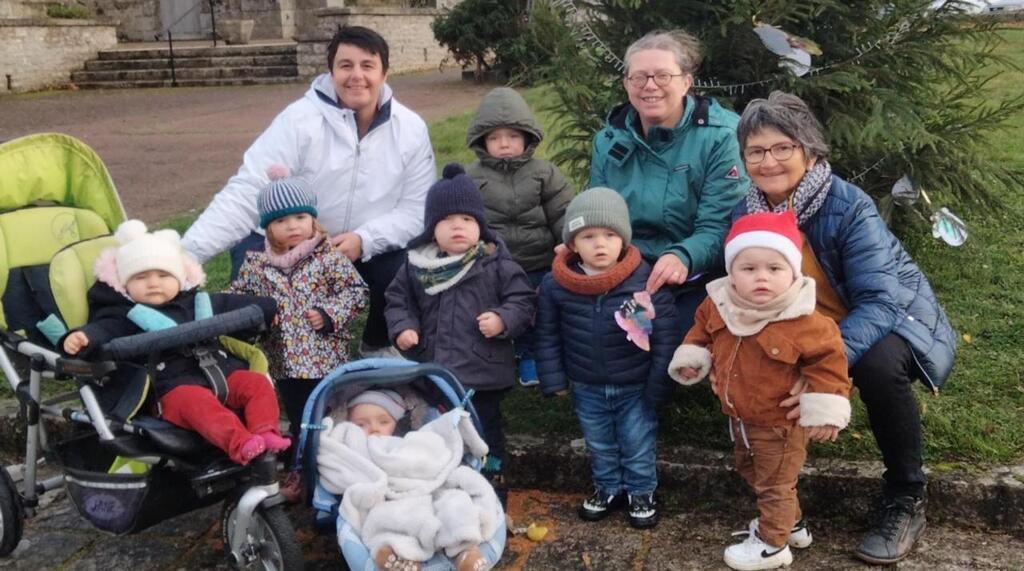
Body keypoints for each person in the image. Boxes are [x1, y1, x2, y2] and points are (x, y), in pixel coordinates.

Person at [732, 91, 957, 564]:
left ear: (810, 150)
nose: (768, 161)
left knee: (878, 369)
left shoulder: (848, 206)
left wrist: (822, 370)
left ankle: (906, 495)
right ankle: (782, 505)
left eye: (781, 148)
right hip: (803, 321)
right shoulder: (747, 210)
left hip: (882, 315)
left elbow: (879, 300)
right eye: (756, 150)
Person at [181, 25, 436, 358]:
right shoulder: (299, 120)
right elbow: (247, 192)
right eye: (345, 65)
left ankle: (377, 344)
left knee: (407, 269)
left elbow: (417, 209)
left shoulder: (411, 129)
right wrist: (184, 257)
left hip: (362, 244)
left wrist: (365, 239)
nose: (356, 76)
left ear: (385, 73)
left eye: (367, 65)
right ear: (331, 72)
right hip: (285, 239)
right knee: (255, 297)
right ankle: (253, 359)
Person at [669, 210, 851, 570]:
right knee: (752, 470)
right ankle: (792, 524)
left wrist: (827, 409)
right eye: (748, 268)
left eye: (774, 268)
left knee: (774, 484)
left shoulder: (805, 320)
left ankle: (773, 544)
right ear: (731, 272)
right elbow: (702, 331)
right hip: (740, 415)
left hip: (779, 422)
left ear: (794, 272)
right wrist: (694, 357)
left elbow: (829, 365)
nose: (761, 278)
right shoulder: (720, 303)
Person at [61, 220, 285, 466]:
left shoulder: (199, 302)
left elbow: (237, 304)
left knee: (256, 384)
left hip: (223, 373)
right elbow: (103, 329)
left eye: (164, 275)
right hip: (172, 390)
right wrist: (83, 337)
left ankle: (266, 431)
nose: (153, 283)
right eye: (141, 277)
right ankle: (241, 444)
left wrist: (266, 309)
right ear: (123, 284)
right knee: (199, 405)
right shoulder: (125, 314)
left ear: (181, 277)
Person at [384, 164, 536, 503]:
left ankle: (492, 491)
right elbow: (398, 300)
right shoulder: (417, 266)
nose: (458, 226)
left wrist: (502, 318)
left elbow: (523, 300)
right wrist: (403, 327)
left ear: (480, 226)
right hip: (435, 374)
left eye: (467, 220)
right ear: (431, 229)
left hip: (483, 375)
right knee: (437, 434)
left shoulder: (494, 263)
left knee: (487, 434)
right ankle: (444, 490)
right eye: (447, 220)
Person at [589, 29, 748, 340]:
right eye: (639, 78)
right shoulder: (607, 140)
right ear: (627, 85)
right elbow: (601, 215)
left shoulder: (723, 136)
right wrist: (580, 240)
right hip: (629, 268)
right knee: (598, 327)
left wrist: (683, 256)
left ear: (686, 82)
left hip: (696, 269)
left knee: (668, 337)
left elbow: (720, 225)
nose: (650, 86)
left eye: (663, 76)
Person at [534, 187, 677, 529]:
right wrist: (554, 378)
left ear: (624, 240)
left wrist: (659, 382)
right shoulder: (556, 285)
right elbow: (547, 333)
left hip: (635, 384)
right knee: (599, 442)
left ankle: (642, 491)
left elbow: (665, 335)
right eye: (588, 236)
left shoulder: (644, 280)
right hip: (586, 384)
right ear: (572, 244)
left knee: (637, 441)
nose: (600, 244)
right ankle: (607, 487)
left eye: (610, 235)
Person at [229, 169, 369, 500]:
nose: (293, 226)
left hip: (325, 358)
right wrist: (253, 316)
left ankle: (337, 468)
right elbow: (237, 298)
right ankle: (301, 471)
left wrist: (329, 314)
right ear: (268, 227)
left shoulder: (327, 256)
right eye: (281, 221)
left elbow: (355, 291)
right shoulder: (257, 265)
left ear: (312, 219)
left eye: (300, 216)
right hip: (284, 362)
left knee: (331, 415)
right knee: (298, 416)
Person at [317, 388, 498, 571]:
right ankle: (396, 554)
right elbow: (340, 465)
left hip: (430, 485)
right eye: (361, 425)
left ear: (399, 422)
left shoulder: (414, 440)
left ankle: (464, 551)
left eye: (384, 421)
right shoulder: (355, 449)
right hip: (386, 495)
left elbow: (435, 451)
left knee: (454, 502)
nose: (373, 429)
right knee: (388, 515)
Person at [465, 87, 574, 387]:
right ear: (481, 140)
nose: (504, 145)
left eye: (512, 136)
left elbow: (561, 210)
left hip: (537, 261)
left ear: (527, 137)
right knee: (493, 310)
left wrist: (567, 242)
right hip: (491, 264)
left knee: (532, 313)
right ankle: (493, 353)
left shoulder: (545, 172)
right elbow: (463, 218)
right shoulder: (470, 177)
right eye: (495, 138)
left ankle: (529, 355)